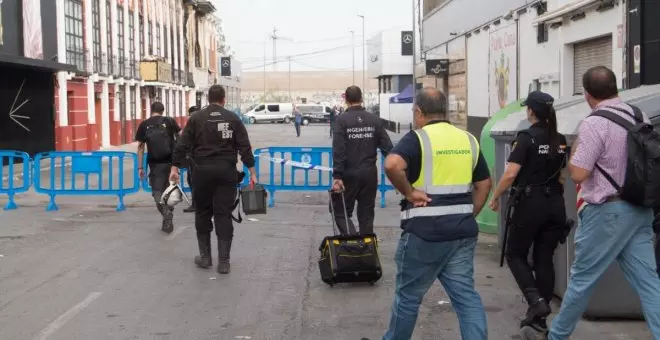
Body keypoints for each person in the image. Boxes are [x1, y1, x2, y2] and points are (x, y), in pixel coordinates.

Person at [548, 66, 660, 339]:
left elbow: (579, 173)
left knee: (582, 281)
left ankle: (557, 336)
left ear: (587, 95)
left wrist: (574, 152)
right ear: (616, 88)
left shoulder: (593, 123)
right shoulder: (638, 114)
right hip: (640, 208)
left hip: (606, 212)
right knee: (649, 283)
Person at [382, 87, 491, 340]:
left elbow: (391, 164)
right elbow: (484, 184)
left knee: (408, 298)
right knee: (466, 298)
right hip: (462, 232)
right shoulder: (468, 139)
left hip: (424, 234)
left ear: (418, 112)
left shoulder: (418, 138)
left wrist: (409, 192)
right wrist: (467, 213)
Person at [488, 91, 568, 338]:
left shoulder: (526, 138)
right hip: (555, 204)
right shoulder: (560, 139)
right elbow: (562, 176)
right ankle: (539, 318)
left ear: (531, 111)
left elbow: (510, 174)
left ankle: (535, 302)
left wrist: (495, 197)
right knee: (544, 257)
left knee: (515, 254)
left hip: (530, 204)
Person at [170, 85, 257, 274]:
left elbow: (181, 145)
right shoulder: (233, 118)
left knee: (202, 212)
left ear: (208, 99)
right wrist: (252, 171)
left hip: (201, 172)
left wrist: (174, 168)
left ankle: (205, 257)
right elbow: (244, 147)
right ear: (224, 99)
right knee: (223, 213)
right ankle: (224, 262)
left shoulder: (196, 119)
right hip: (226, 172)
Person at [331, 85, 393, 235]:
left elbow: (339, 149)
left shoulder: (341, 121)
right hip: (370, 174)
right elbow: (388, 148)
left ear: (345, 99)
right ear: (362, 99)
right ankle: (367, 247)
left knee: (340, 210)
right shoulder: (375, 120)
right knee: (366, 213)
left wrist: (337, 176)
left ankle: (352, 242)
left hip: (349, 173)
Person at [135, 102, 181, 234]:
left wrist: (140, 167)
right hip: (172, 164)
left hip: (155, 165)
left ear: (151, 110)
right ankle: (167, 218)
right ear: (163, 110)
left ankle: (166, 214)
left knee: (157, 193)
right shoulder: (170, 121)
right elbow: (181, 136)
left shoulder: (144, 124)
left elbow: (140, 147)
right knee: (170, 193)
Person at [183, 105, 201, 213]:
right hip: (202, 156)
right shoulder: (205, 123)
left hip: (194, 157)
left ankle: (196, 204)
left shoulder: (191, 125)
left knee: (193, 180)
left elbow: (185, 140)